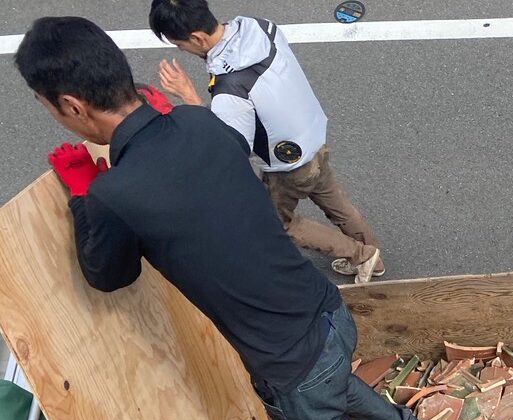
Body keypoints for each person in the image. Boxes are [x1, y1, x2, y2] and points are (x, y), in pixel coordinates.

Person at [16, 16, 428, 420]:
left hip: (288, 363)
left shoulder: (113, 195)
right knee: (332, 375)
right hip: (326, 311)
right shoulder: (198, 121)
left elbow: (108, 274)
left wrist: (84, 195)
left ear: (71, 106)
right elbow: (215, 168)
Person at [149, 0, 384, 284]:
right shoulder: (258, 27)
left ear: (197, 38)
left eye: (179, 44)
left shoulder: (231, 89)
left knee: (278, 224)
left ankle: (361, 255)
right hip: (312, 135)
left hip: (288, 165)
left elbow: (228, 146)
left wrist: (190, 97)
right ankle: (375, 258)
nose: (181, 50)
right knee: (336, 202)